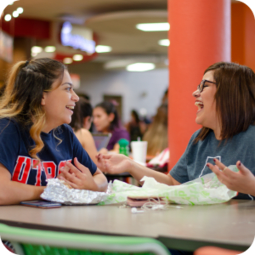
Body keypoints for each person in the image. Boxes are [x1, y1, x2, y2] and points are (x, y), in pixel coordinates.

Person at [97, 62, 255, 201]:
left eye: (204, 86)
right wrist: (130, 165)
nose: (195, 93)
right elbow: (172, 183)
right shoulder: (199, 140)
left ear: (230, 93)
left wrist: (251, 186)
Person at [0, 58, 108, 205]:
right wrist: (51, 191)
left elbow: (100, 178)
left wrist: (91, 185)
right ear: (42, 95)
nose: (76, 97)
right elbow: (2, 191)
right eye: (67, 88)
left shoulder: (65, 133)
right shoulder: (7, 129)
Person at [69, 97, 98, 164]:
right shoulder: (83, 133)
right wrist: (102, 152)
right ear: (87, 119)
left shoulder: (59, 132)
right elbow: (95, 165)